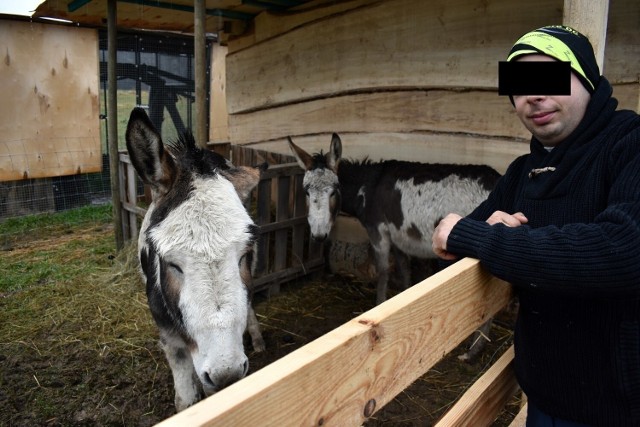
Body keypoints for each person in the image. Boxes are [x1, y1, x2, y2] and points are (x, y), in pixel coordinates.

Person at [432, 25, 640, 426]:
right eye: (519, 86)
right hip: (542, 398)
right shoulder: (522, 173)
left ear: (588, 81)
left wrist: (488, 239)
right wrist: (478, 233)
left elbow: (626, 249)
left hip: (617, 408)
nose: (534, 96)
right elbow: (451, 248)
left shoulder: (629, 144)